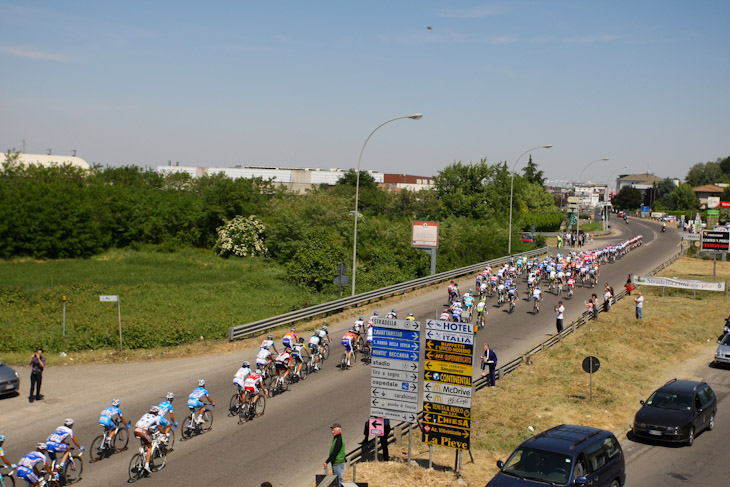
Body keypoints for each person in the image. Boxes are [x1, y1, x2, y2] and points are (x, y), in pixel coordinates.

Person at [134, 406, 162, 473]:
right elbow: (159, 429)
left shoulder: (145, 414)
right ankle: (147, 465)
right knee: (150, 447)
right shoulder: (156, 418)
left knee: (145, 441)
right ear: (156, 412)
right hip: (143, 432)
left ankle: (142, 452)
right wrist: (164, 432)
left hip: (136, 430)